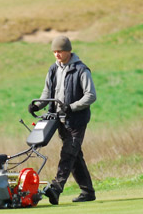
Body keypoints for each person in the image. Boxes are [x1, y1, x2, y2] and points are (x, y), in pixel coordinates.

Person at [29, 35, 97, 204]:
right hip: (58, 119)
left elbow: (91, 96)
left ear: (69, 51)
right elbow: (46, 93)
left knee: (68, 153)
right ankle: (88, 192)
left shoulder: (81, 70)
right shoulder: (53, 69)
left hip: (76, 120)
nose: (57, 54)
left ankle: (56, 188)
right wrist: (37, 105)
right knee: (74, 155)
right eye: (54, 52)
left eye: (60, 51)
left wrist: (71, 106)